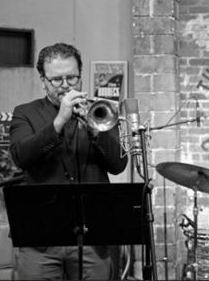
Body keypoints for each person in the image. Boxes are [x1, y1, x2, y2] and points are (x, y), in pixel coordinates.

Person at [9, 42, 128, 280]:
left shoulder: (101, 111)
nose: (65, 86)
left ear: (80, 76)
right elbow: (21, 156)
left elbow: (118, 165)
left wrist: (95, 133)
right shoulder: (25, 112)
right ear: (42, 79)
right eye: (56, 80)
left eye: (72, 78)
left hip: (93, 235)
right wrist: (59, 121)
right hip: (41, 238)